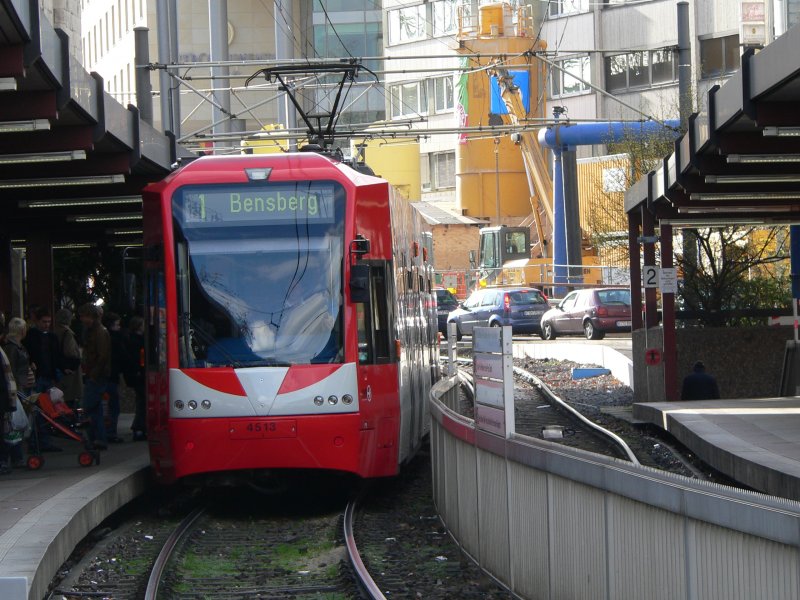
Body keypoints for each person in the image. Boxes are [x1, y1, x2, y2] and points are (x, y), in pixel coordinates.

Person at [78, 303, 111, 450]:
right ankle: (98, 438)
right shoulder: (96, 331)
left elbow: (102, 355)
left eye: (84, 316)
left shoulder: (98, 332)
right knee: (95, 408)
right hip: (95, 373)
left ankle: (94, 437)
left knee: (89, 406)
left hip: (96, 374)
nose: (82, 319)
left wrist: (93, 374)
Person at [23, 307, 61, 393]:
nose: (47, 324)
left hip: (49, 375)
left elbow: (56, 355)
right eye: (44, 322)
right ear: (38, 321)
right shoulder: (31, 335)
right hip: (38, 375)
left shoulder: (53, 337)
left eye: (49, 322)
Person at [103, 312, 127, 443]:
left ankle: (106, 431)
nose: (119, 327)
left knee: (106, 405)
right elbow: (122, 357)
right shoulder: (116, 339)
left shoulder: (104, 337)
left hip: (106, 375)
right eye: (117, 325)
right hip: (112, 375)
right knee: (113, 405)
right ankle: (110, 432)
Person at [53, 308, 83, 409]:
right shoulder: (68, 333)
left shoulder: (55, 331)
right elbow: (70, 351)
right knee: (70, 399)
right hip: (69, 371)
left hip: (59, 370)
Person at [125, 316, 147, 441]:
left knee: (141, 401)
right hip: (139, 374)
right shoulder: (138, 341)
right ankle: (139, 427)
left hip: (136, 374)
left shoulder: (131, 339)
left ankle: (139, 427)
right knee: (142, 402)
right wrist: (139, 370)